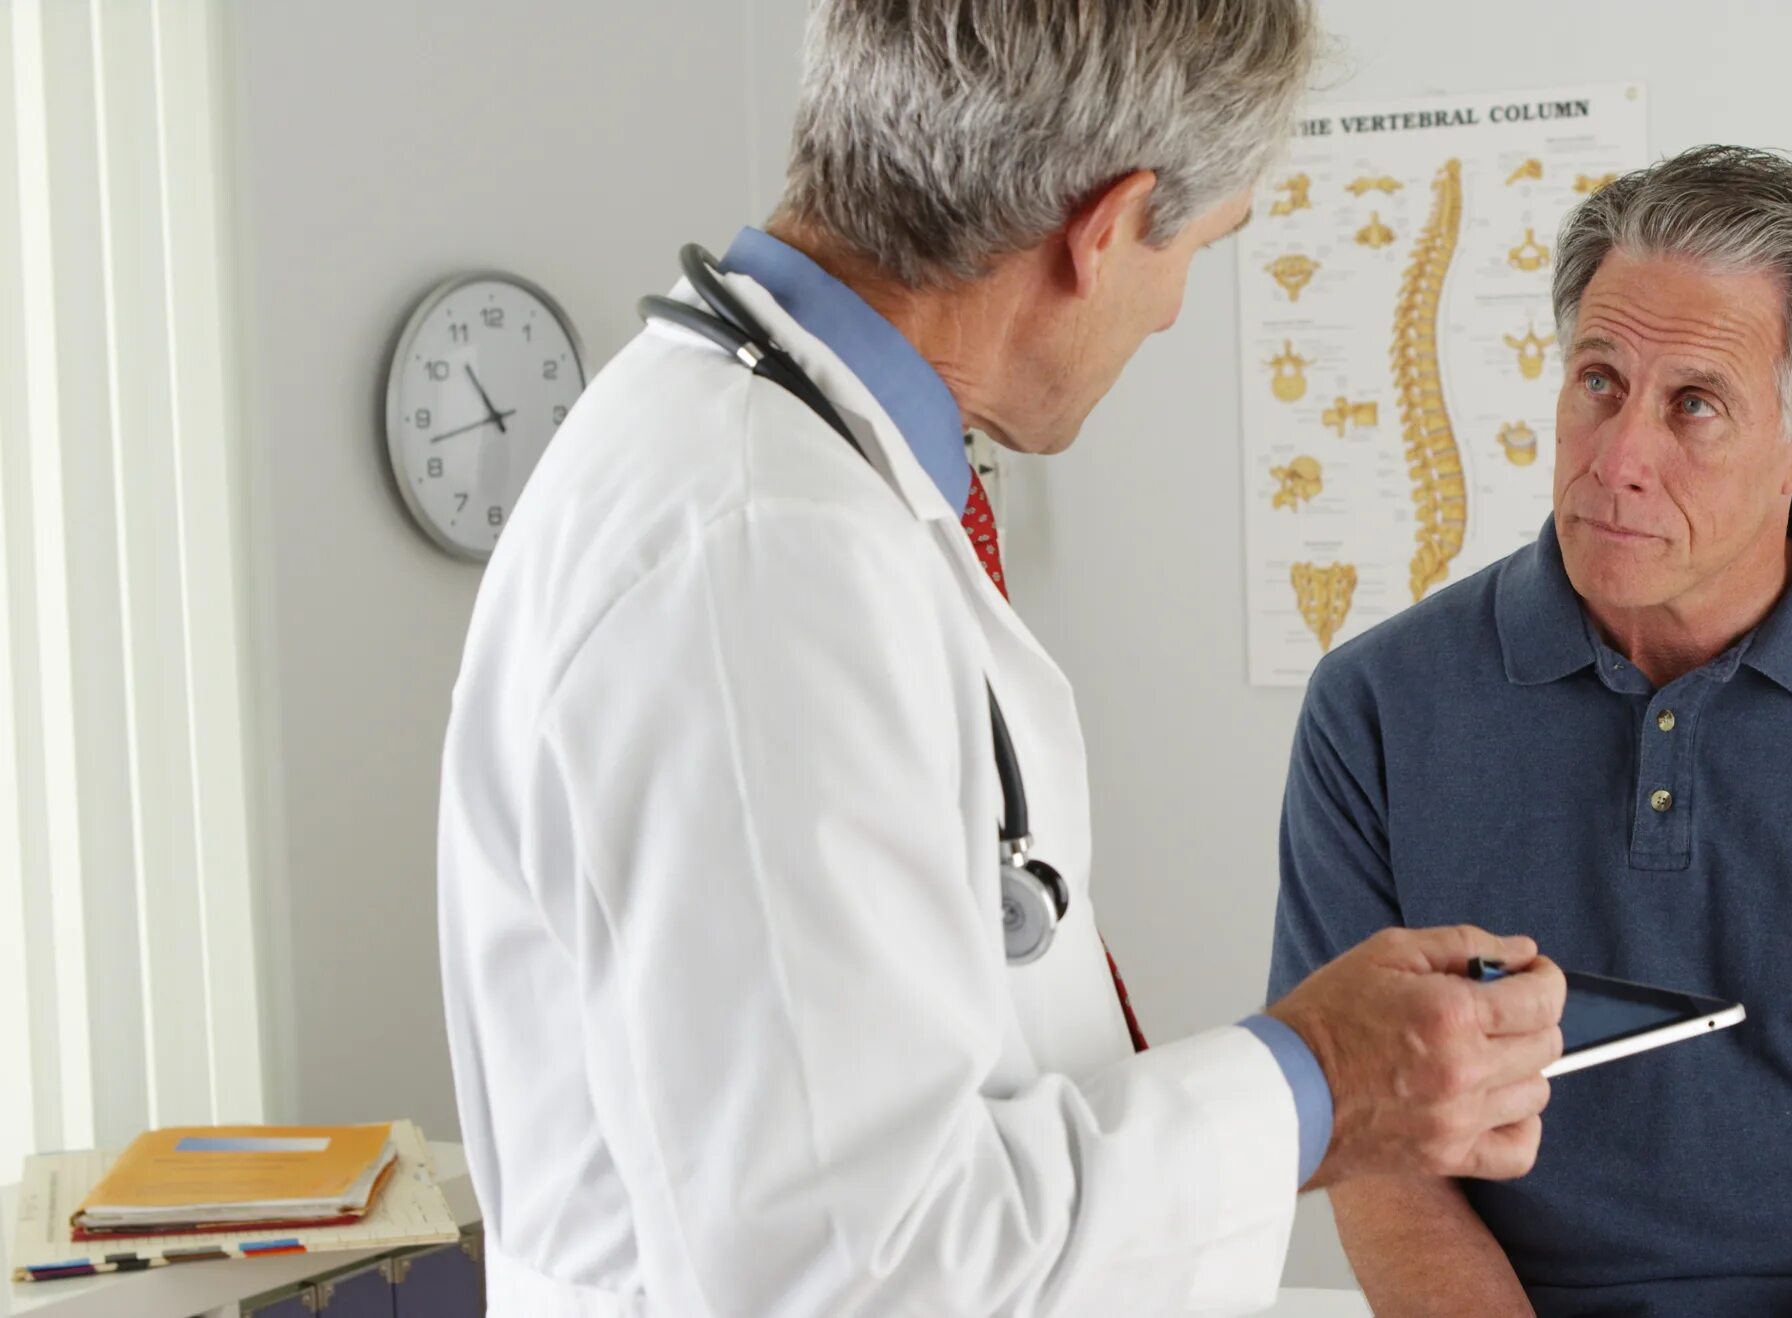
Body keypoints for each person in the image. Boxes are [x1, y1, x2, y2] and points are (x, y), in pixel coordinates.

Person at [435, 3, 1565, 1314]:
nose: (1175, 307)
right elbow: (863, 1272)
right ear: (1104, 226)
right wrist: (1313, 1081)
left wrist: (1319, 1081)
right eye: (1198, 247)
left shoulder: (768, 467)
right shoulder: (761, 554)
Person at [1269, 145, 1792, 1318]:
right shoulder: (1374, 705)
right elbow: (1382, 1160)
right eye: (1599, 381)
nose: (1617, 460)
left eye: (1695, 406)